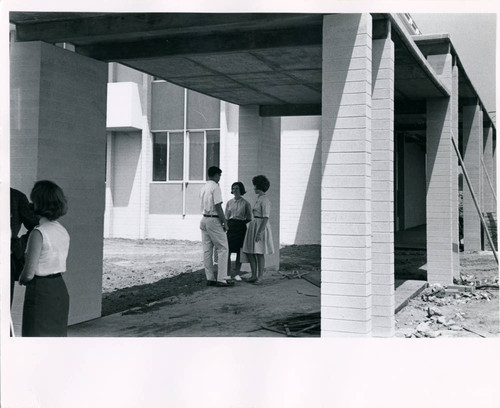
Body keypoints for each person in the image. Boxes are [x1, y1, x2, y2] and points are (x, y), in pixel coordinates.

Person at [19, 180, 70, 337]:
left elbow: (28, 273)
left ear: (38, 203)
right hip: (59, 289)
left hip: (41, 291)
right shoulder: (62, 231)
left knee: (36, 339)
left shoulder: (38, 233)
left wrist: (21, 279)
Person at [199, 166, 234, 287]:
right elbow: (218, 206)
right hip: (214, 219)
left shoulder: (204, 187)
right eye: (219, 176)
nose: (219, 178)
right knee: (223, 248)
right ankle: (222, 278)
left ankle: (210, 278)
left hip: (204, 218)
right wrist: (224, 222)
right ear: (215, 175)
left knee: (207, 250)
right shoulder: (215, 187)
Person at [242, 175, 274, 283]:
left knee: (259, 253)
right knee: (251, 252)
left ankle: (260, 277)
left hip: (260, 226)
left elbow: (265, 217)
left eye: (254, 185)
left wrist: (260, 232)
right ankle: (254, 275)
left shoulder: (265, 200)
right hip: (254, 225)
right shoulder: (259, 198)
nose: (253, 188)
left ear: (258, 186)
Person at [10, 188, 39, 307]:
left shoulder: (15, 197)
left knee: (3, 309)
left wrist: (17, 245)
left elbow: (36, 227)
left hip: (5, 262)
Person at [225, 182, 252, 277]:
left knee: (239, 252)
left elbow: (249, 217)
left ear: (241, 190)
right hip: (231, 227)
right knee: (228, 251)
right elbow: (226, 217)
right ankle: (227, 273)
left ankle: (237, 274)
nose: (235, 190)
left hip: (240, 227)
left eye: (237, 188)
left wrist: (241, 224)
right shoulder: (229, 202)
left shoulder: (246, 203)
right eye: (233, 188)